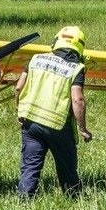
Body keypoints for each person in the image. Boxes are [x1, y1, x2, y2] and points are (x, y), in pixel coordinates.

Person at [14, 26, 92, 200]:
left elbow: (18, 87)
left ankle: (24, 202)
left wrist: (19, 110)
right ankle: (73, 199)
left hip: (31, 122)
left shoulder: (35, 59)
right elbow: (77, 100)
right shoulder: (76, 68)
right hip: (58, 127)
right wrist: (83, 128)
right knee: (67, 167)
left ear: (56, 42)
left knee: (30, 166)